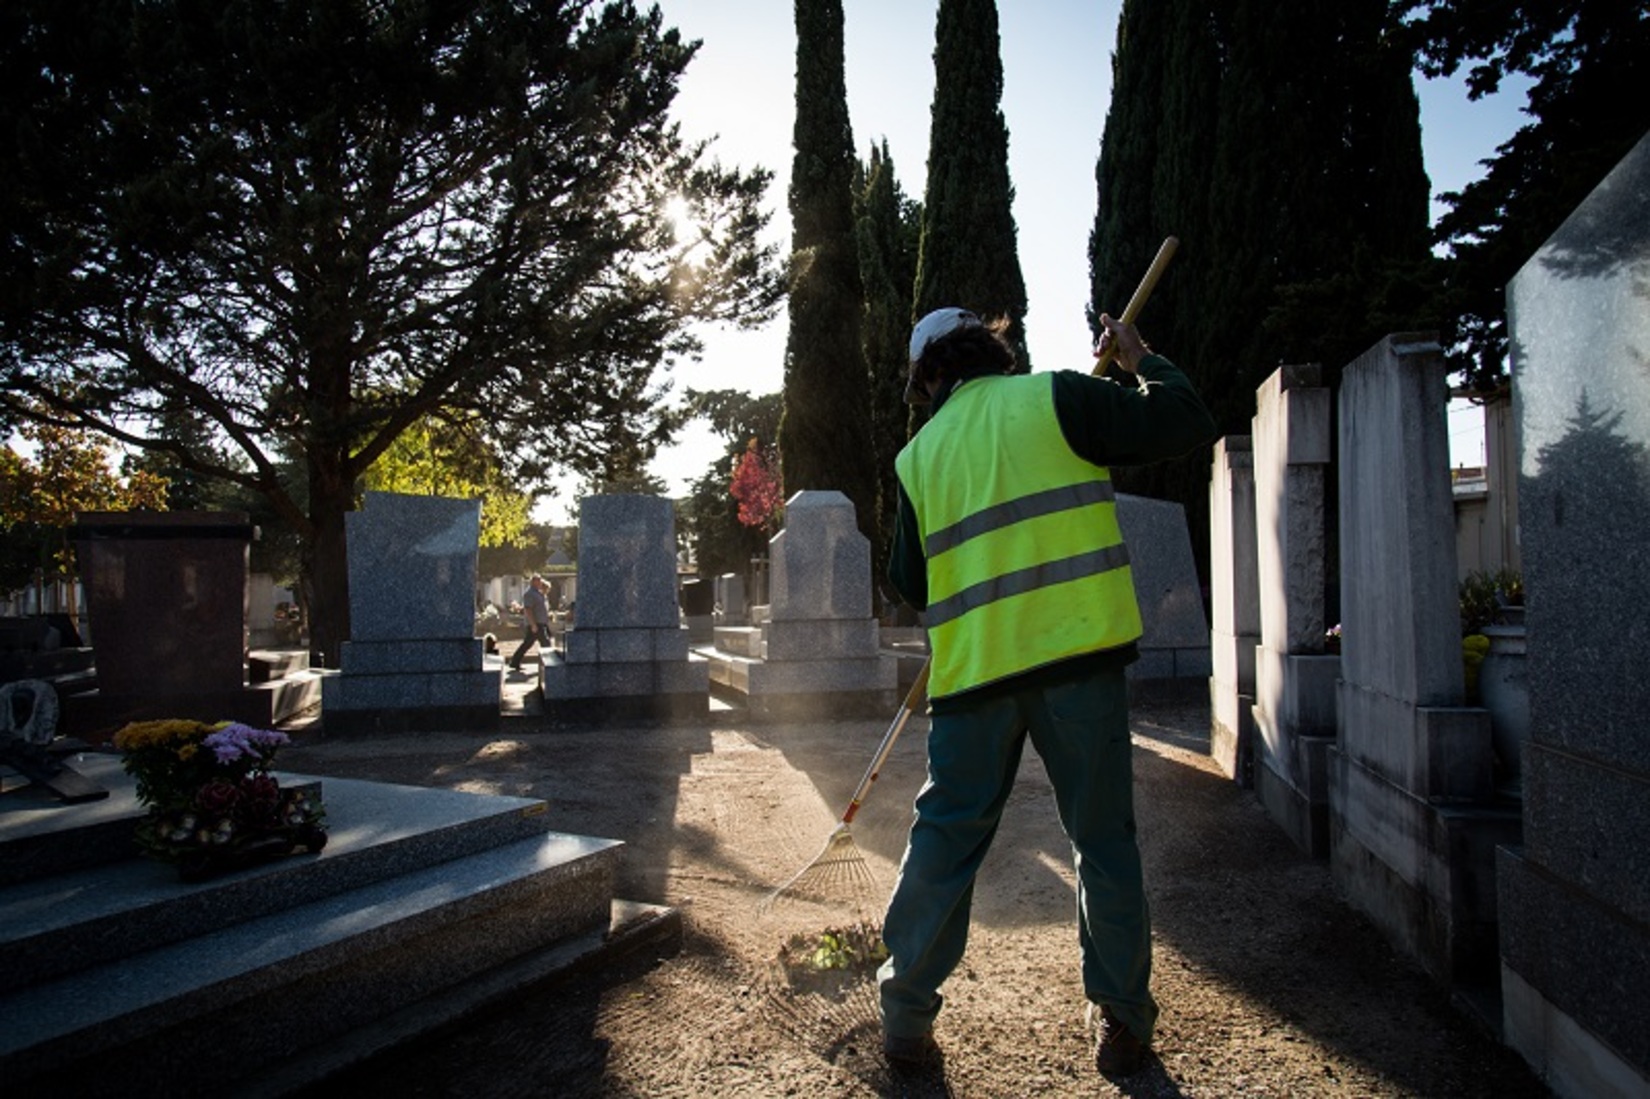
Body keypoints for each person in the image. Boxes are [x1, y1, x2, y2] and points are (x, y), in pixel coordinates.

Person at [878, 307, 1217, 1078]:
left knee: (944, 839)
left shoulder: (917, 457)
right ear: (991, 346)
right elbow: (1183, 419)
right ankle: (1124, 1023)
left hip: (973, 683)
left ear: (928, 375)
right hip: (1078, 661)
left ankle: (904, 1015)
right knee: (1102, 841)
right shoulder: (1059, 397)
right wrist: (1141, 359)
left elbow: (909, 579)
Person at [509, 574, 551, 671]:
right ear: (534, 582)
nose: (540, 583)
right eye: (538, 581)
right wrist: (533, 624)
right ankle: (549, 664)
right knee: (546, 644)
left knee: (527, 643)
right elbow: (528, 609)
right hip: (536, 624)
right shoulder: (529, 594)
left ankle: (514, 662)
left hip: (541, 622)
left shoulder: (537, 593)